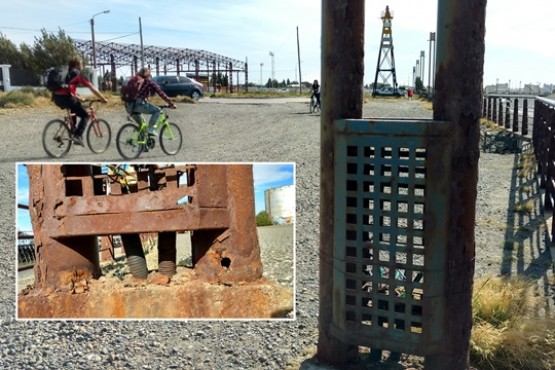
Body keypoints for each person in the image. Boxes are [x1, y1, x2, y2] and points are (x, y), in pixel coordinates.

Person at [52, 57, 108, 146]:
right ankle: (77, 136)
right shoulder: (78, 74)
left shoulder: (66, 73)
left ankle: (69, 132)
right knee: (85, 115)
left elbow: (68, 89)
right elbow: (92, 87)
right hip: (67, 98)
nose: (82, 66)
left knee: (75, 107)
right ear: (78, 65)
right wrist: (103, 98)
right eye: (81, 64)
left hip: (56, 98)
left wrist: (78, 97)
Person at [125, 67, 175, 136]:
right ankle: (150, 129)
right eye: (150, 73)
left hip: (129, 105)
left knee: (142, 125)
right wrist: (171, 103)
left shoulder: (137, 81)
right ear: (148, 75)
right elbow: (161, 93)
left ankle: (141, 144)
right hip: (139, 104)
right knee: (157, 110)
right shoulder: (148, 82)